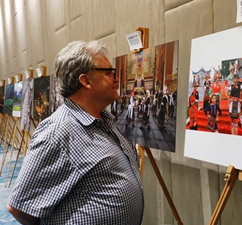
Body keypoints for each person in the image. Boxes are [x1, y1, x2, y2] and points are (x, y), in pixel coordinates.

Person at [7, 41, 144, 224]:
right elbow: (19, 207)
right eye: (109, 72)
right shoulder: (58, 131)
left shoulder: (107, 120)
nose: (115, 78)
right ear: (85, 80)